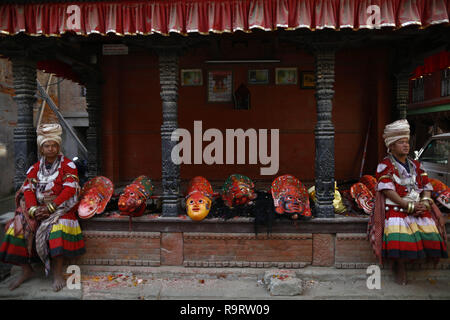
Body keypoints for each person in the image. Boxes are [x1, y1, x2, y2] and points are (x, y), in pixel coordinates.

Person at [0, 123, 85, 291]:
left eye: (54, 145)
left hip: (62, 209)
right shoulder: (35, 168)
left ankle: (57, 273)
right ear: (41, 148)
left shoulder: (68, 166)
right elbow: (28, 190)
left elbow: (69, 190)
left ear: (58, 146)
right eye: (47, 145)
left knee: (57, 230)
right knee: (15, 229)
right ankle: (26, 270)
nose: (51, 149)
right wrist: (33, 210)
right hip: (38, 209)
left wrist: (51, 208)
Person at [369, 119, 447, 285]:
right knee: (400, 237)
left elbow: (426, 184)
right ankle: (400, 268)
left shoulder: (415, 165)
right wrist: (408, 206)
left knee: (431, 233)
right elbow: (387, 189)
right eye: (401, 142)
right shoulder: (385, 165)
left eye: (406, 142)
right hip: (396, 206)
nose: (406, 145)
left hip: (417, 206)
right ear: (391, 146)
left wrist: (425, 202)